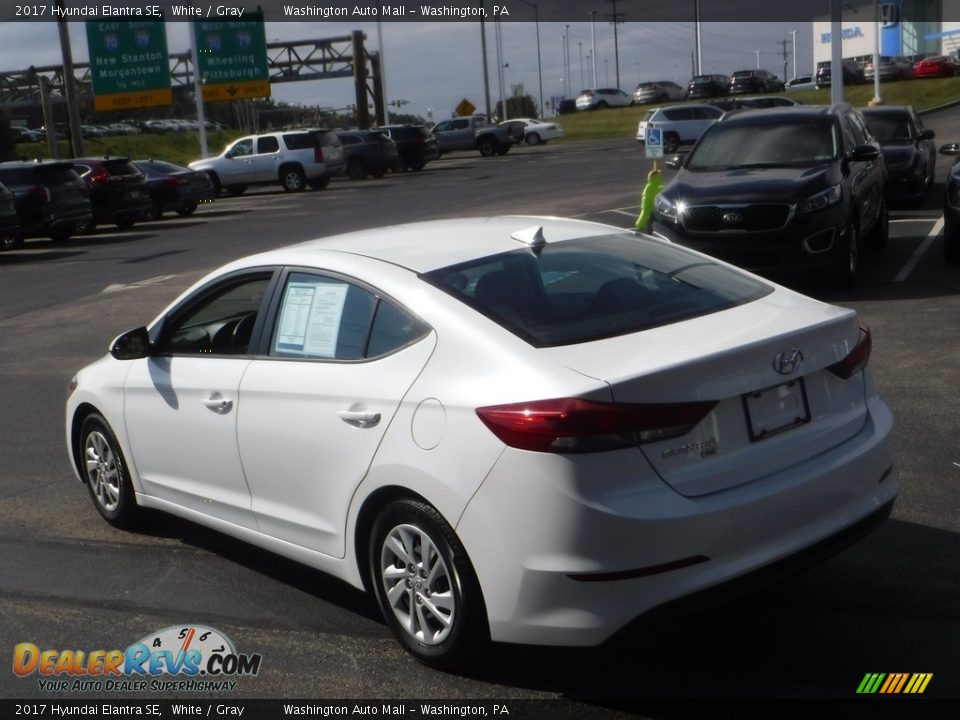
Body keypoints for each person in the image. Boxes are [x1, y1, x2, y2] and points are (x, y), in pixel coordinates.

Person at [635, 162, 662, 234]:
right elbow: (650, 196)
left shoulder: (651, 186)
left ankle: (645, 228)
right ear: (656, 178)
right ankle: (643, 228)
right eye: (658, 176)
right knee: (648, 218)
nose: (660, 177)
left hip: (649, 206)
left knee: (649, 218)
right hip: (649, 207)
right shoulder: (652, 187)